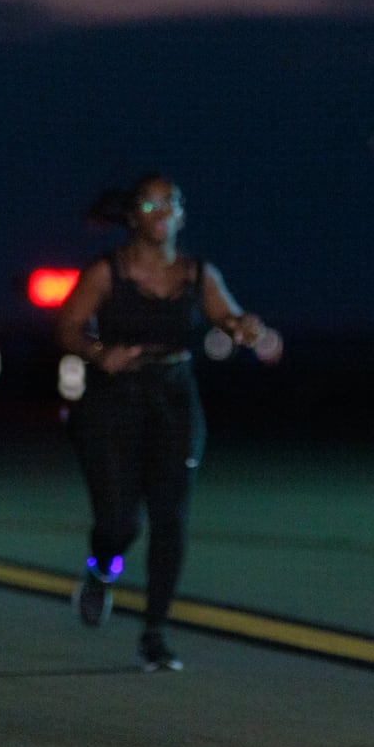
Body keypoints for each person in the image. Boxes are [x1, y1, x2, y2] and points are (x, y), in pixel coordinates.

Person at [55, 172, 263, 672]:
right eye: (149, 206)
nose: (161, 212)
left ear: (183, 214)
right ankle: (103, 568)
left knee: (170, 519)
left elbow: (227, 316)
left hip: (173, 400)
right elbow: (67, 325)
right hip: (111, 402)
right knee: (119, 522)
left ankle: (155, 633)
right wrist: (97, 352)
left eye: (170, 203)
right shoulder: (108, 272)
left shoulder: (198, 274)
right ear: (132, 217)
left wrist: (242, 327)